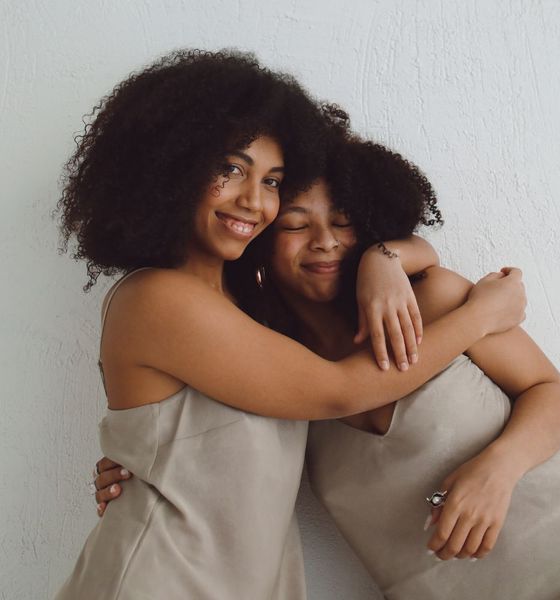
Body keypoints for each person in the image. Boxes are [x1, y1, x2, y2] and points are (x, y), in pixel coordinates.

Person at [54, 50, 525, 600]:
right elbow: (337, 391)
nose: (254, 201)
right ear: (170, 167)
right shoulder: (157, 297)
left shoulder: (249, 303)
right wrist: (482, 315)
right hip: (162, 581)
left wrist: (386, 256)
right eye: (229, 168)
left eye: (272, 180)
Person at [96, 120, 560, 599]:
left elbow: (549, 390)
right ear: (262, 242)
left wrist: (498, 469)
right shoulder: (270, 370)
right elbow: (216, 439)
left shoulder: (439, 298)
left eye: (345, 223)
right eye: (295, 224)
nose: (326, 241)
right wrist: (144, 461)